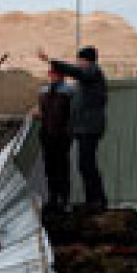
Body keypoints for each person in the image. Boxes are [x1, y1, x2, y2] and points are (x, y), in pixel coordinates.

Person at [38, 46, 108, 211]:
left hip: (89, 127)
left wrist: (51, 61)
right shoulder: (87, 77)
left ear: (86, 60)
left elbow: (76, 72)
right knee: (84, 164)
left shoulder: (93, 71)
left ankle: (97, 200)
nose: (78, 63)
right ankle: (93, 200)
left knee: (87, 164)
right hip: (83, 128)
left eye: (80, 60)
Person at [37, 66, 74, 212]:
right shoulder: (44, 92)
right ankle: (53, 198)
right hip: (47, 134)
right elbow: (43, 112)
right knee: (50, 168)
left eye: (56, 75)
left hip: (62, 135)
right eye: (51, 74)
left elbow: (71, 114)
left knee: (62, 168)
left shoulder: (68, 92)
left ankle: (64, 199)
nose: (53, 77)